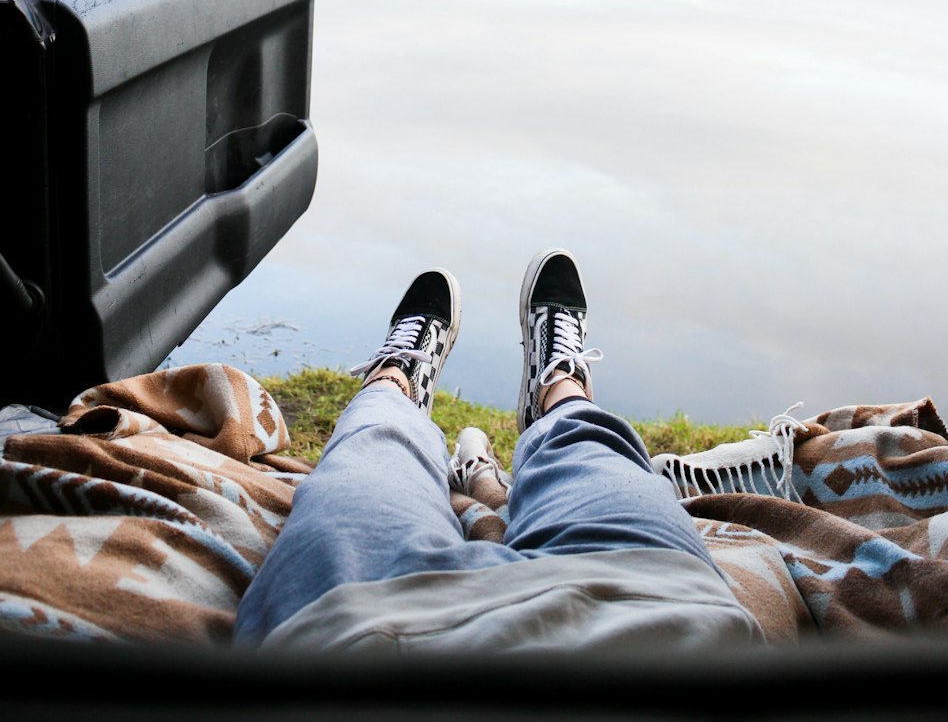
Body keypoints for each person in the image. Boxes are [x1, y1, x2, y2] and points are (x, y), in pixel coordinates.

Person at [234, 250, 762, 654]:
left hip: (354, 629)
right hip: (661, 619)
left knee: (374, 447)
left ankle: (394, 382)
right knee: (592, 447)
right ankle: (558, 392)